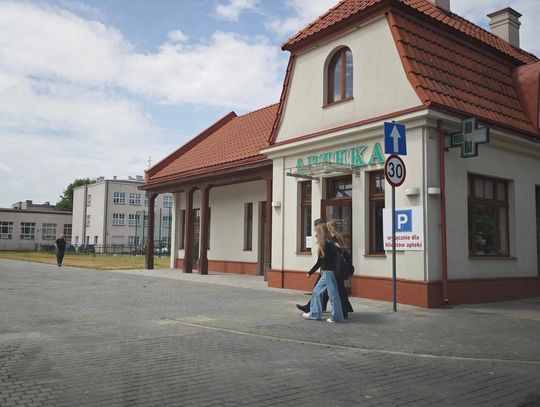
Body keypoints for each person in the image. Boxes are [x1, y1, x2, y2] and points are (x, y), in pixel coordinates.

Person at [302, 222, 344, 323]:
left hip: (329, 272)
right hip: (327, 272)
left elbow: (321, 261)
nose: (315, 235)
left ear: (320, 232)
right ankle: (315, 313)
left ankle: (337, 317)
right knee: (317, 291)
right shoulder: (329, 242)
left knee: (333, 295)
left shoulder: (325, 243)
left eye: (316, 232)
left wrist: (310, 272)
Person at [296, 218, 328, 313]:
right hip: (326, 269)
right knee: (329, 291)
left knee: (318, 288)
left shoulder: (325, 239)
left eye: (315, 228)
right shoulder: (326, 238)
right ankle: (320, 307)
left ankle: (311, 309)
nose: (315, 232)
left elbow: (321, 260)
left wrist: (310, 272)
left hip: (327, 270)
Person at [326, 220, 354, 319]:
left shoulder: (334, 238)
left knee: (338, 290)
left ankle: (344, 311)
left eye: (328, 227)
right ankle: (346, 309)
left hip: (336, 267)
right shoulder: (339, 236)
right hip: (340, 267)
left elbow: (335, 253)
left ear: (330, 228)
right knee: (340, 289)